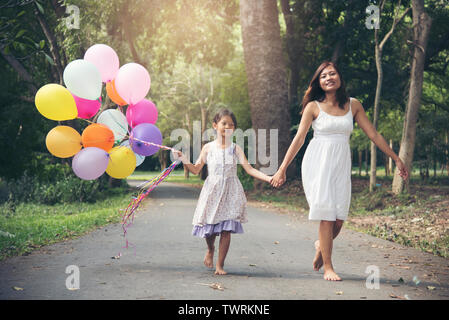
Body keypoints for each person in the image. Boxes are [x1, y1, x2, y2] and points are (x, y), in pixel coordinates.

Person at [271, 61, 409, 281]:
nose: (328, 78)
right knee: (326, 216)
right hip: (318, 163)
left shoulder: (353, 105)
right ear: (318, 82)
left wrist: (397, 160)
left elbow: (373, 135)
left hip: (341, 164)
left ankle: (321, 247)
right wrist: (282, 169)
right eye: (323, 76)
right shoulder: (313, 107)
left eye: (332, 73)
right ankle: (328, 267)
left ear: (339, 78)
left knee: (339, 219)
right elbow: (299, 139)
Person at [173, 109, 272, 275]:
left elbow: (249, 169)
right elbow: (196, 169)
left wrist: (269, 178)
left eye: (231, 125)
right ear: (215, 126)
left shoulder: (235, 148)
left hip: (231, 191)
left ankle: (220, 265)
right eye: (224, 123)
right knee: (210, 227)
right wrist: (183, 159)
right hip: (212, 190)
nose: (227, 127)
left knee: (226, 228)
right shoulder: (208, 148)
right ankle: (210, 249)